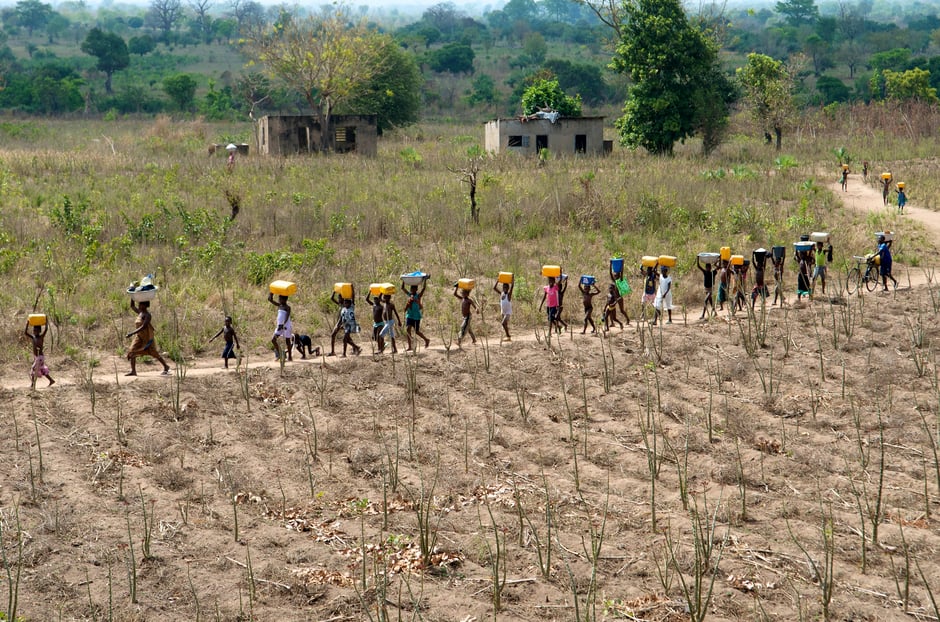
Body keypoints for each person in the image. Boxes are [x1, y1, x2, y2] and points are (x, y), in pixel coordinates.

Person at [125, 299, 171, 376]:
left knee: (153, 352)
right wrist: (132, 296)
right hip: (139, 337)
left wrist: (132, 333)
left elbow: (143, 326)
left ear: (144, 306)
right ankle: (133, 371)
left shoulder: (147, 315)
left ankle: (166, 366)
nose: (139, 305)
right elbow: (132, 306)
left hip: (147, 337)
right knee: (132, 351)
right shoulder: (140, 313)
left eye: (140, 304)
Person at [403, 279, 432, 352]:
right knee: (408, 329)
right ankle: (410, 346)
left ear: (416, 289)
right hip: (410, 315)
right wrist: (403, 280)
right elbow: (403, 288)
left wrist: (425, 280)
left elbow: (424, 288)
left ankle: (426, 340)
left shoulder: (418, 296)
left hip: (416, 316)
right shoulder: (410, 295)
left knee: (417, 331)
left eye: (413, 289)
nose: (412, 290)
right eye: (411, 289)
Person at [25, 322, 54, 388]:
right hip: (37, 357)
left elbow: (46, 329)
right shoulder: (33, 337)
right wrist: (28, 323)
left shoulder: (41, 337)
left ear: (39, 331)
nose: (35, 332)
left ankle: (32, 385)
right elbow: (26, 333)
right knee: (42, 370)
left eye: (37, 330)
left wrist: (46, 321)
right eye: (34, 330)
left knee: (33, 369)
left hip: (40, 357)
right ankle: (51, 380)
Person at [327, 286, 353, 356]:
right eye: (338, 298)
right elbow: (332, 298)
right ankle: (333, 351)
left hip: (344, 323)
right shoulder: (340, 304)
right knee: (333, 335)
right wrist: (335, 290)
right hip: (339, 322)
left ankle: (355, 348)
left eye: (339, 298)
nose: (338, 299)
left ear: (342, 299)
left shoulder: (345, 305)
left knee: (346, 338)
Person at [268, 292, 293, 362]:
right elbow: (270, 300)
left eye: (280, 299)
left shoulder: (287, 307)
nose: (279, 300)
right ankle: (281, 354)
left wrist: (283, 324)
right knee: (273, 340)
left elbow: (287, 317)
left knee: (288, 341)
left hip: (286, 326)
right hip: (279, 326)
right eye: (279, 299)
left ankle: (290, 356)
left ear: (285, 300)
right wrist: (271, 294)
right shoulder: (279, 305)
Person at [366, 289, 386, 353]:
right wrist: (369, 291)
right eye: (374, 299)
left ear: (379, 300)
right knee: (374, 337)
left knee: (379, 336)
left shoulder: (381, 307)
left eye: (376, 299)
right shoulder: (374, 305)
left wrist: (381, 292)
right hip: (375, 323)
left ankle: (380, 349)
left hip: (380, 323)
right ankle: (383, 344)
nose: (375, 300)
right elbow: (367, 299)